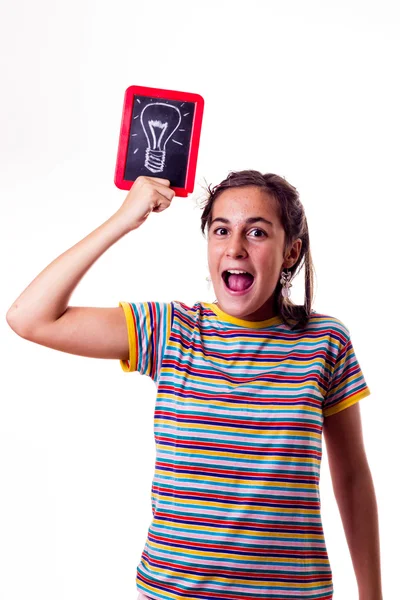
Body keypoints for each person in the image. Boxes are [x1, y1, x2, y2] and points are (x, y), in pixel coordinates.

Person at [6, 171, 383, 600]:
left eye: (257, 232)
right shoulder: (171, 330)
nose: (235, 247)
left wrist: (372, 595)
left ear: (291, 252)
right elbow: (29, 317)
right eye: (221, 230)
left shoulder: (326, 340)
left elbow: (352, 476)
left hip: (294, 592)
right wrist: (123, 219)